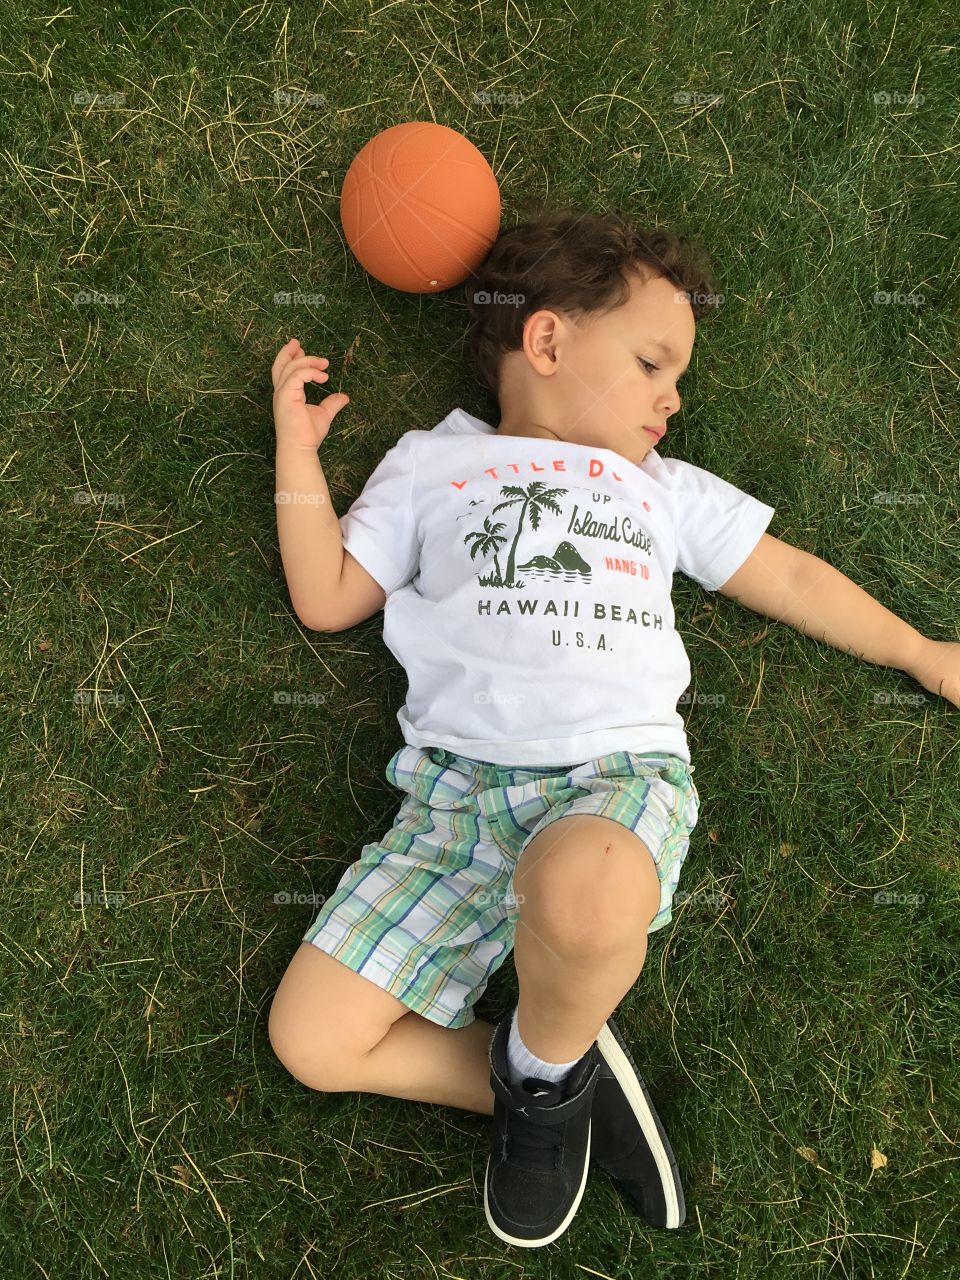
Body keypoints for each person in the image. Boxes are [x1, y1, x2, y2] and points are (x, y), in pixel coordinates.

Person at [266, 206, 959, 1250]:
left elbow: (788, 575)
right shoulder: (427, 464)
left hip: (609, 781)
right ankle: (563, 1071)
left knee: (588, 890)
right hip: (451, 800)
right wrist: (294, 452)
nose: (673, 397)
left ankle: (545, 1076)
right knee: (311, 1039)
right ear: (547, 340)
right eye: (652, 362)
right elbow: (326, 594)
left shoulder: (658, 490)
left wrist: (921, 651)